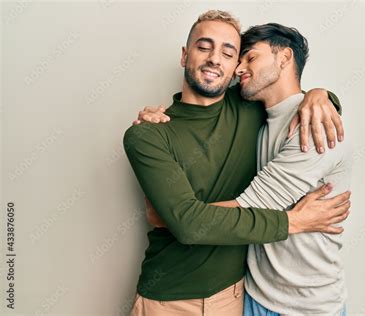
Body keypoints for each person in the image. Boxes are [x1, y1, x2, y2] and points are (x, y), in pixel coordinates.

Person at [124, 10, 350, 316]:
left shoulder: (253, 109)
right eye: (204, 47)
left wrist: (322, 96)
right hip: (168, 299)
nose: (217, 59)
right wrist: (293, 221)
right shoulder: (148, 135)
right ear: (184, 55)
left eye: (231, 53)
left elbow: (285, 92)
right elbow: (187, 226)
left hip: (235, 296)